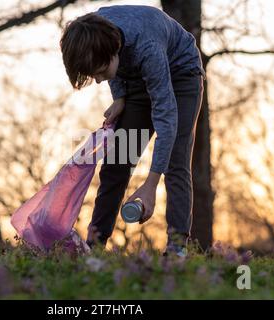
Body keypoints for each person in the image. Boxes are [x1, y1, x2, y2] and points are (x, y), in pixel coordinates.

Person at [60, 5, 205, 257]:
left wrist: (150, 185)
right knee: (117, 162)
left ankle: (177, 249)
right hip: (136, 79)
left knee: (175, 161)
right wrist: (120, 96)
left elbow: (166, 119)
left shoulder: (146, 46)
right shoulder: (94, 30)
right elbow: (114, 67)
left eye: (101, 72)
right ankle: (94, 248)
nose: (98, 80)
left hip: (181, 75)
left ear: (113, 51)